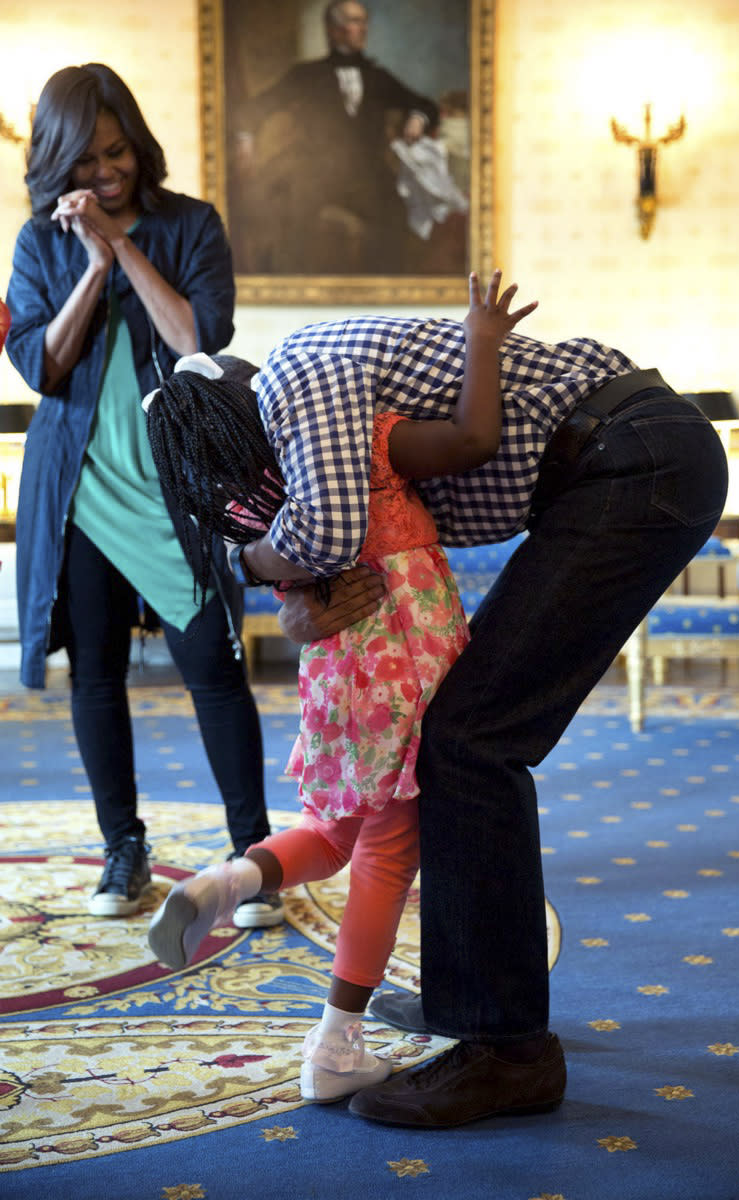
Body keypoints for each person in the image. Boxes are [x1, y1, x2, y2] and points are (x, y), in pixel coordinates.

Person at [219, 270, 728, 1127]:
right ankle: (471, 1001)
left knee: (470, 738)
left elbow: (324, 532)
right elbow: (344, 548)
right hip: (619, 458)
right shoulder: (331, 421)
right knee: (455, 734)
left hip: (631, 457)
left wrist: (252, 563)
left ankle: (510, 1049)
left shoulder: (291, 383)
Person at [143, 271, 533, 1102]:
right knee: (388, 853)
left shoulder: (271, 517)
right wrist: (483, 344)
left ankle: (225, 883)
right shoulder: (357, 440)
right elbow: (470, 441)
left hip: (341, 682)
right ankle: (336, 1045)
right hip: (409, 670)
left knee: (334, 834)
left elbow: (289, 587)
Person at [4, 63, 283, 929]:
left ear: (138, 143)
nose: (106, 172)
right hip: (79, 488)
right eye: (87, 160)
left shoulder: (190, 224)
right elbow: (41, 367)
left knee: (213, 667)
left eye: (117, 152)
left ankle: (254, 857)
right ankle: (122, 849)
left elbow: (198, 339)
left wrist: (122, 245)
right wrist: (89, 267)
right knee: (97, 673)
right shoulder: (38, 243)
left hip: (177, 488)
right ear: (58, 159)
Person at [230, 0, 439, 274]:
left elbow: (425, 105)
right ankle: (292, 288)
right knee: (293, 220)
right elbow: (254, 109)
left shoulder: (377, 76)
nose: (362, 28)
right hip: (314, 173)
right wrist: (245, 138)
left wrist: (417, 117)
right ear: (333, 29)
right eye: (354, 21)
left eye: (363, 21)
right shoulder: (305, 75)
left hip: (368, 175)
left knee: (394, 216)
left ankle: (385, 293)